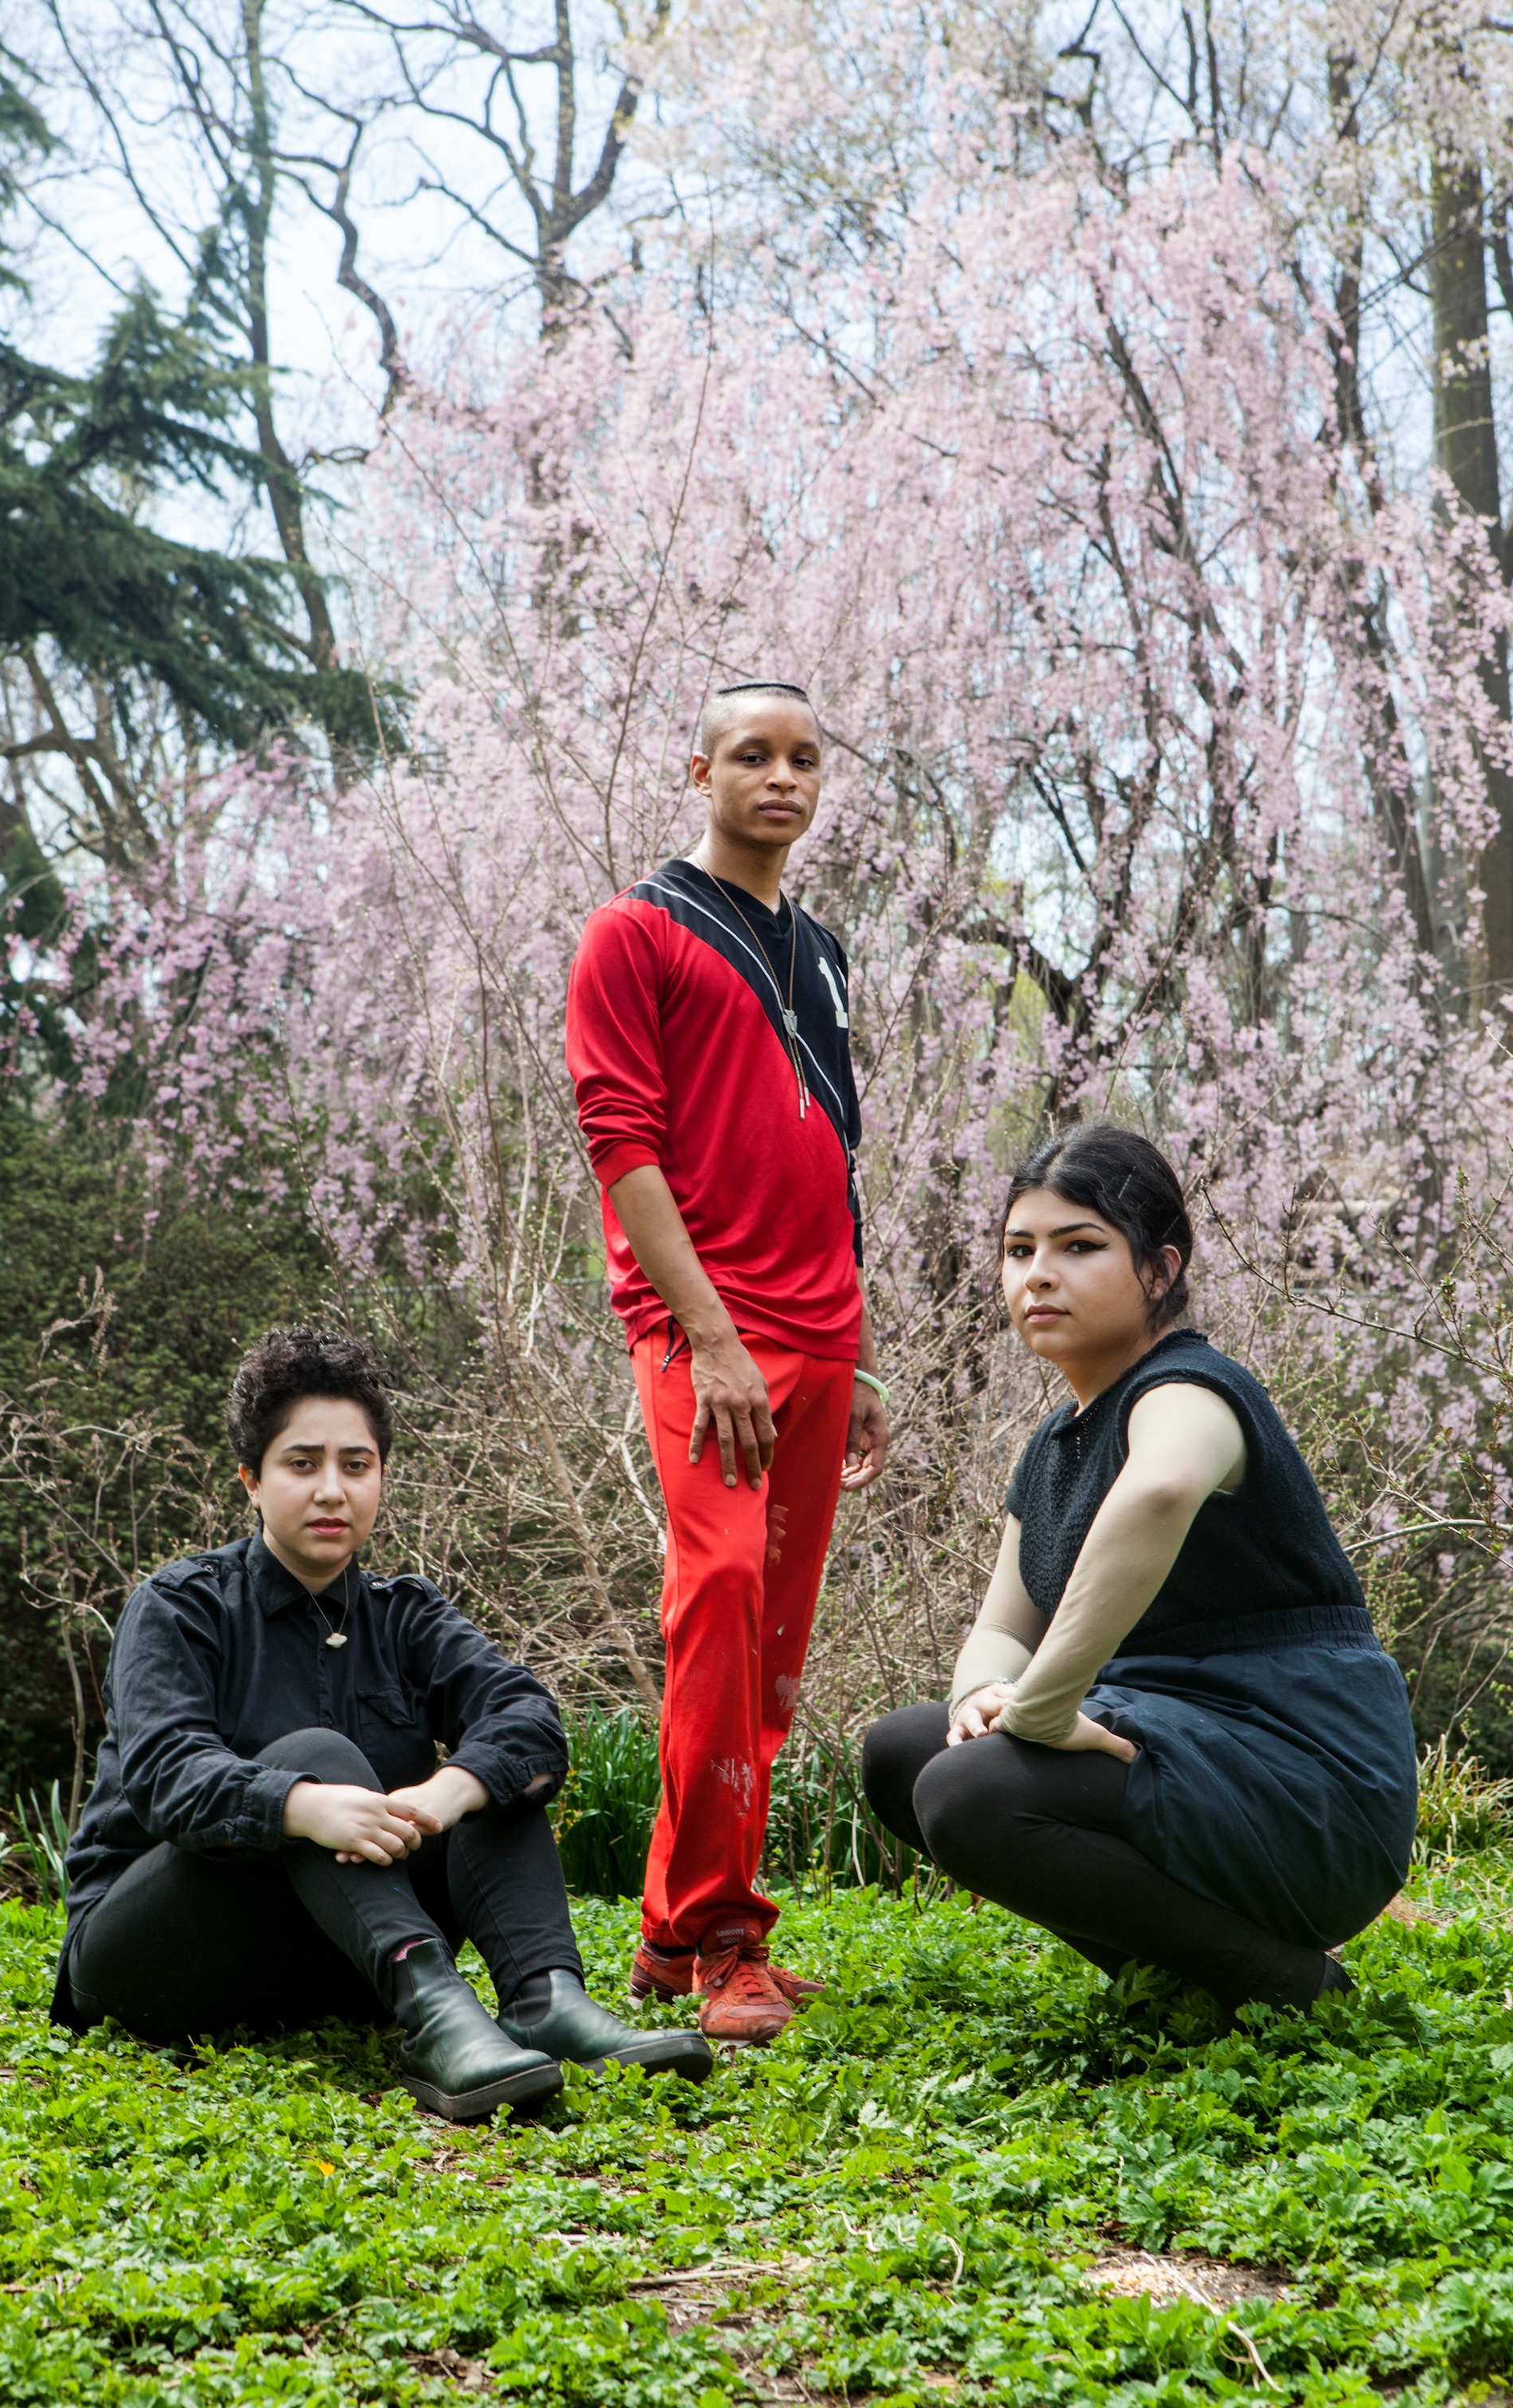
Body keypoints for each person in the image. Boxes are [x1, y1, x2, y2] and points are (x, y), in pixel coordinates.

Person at [51, 1328, 712, 2117]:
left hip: (339, 1964)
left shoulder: (406, 1614)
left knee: (498, 1773)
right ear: (251, 1481)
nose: (331, 1490)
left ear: (380, 1478)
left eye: (355, 1466)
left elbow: (528, 1718)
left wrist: (454, 1788)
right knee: (317, 1756)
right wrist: (303, 1806)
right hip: (161, 1957)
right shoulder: (182, 1607)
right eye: (302, 1464)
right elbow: (165, 1777)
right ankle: (436, 2014)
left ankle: (545, 2003)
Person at [861, 1125, 1417, 2014]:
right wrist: (981, 1697)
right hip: (1164, 1746)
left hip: (1306, 1783)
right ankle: (1175, 1974)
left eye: (1079, 1246)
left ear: (1158, 1271)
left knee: (969, 1793)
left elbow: (1158, 1488)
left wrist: (1043, 1705)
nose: (1037, 1274)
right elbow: (1002, 1626)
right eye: (1018, 1250)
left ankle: (1280, 1985)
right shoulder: (1052, 1447)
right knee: (906, 1753)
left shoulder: (1189, 1390)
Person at [565, 681, 891, 2043]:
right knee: (717, 1597)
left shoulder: (818, 947)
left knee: (771, 1641)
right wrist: (711, 1338)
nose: (781, 777)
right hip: (709, 1328)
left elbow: (835, 1154)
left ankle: (678, 1935)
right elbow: (621, 1142)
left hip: (821, 1332)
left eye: (804, 759)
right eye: (752, 755)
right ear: (698, 770)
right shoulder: (634, 933)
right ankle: (716, 1943)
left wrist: (858, 1348)